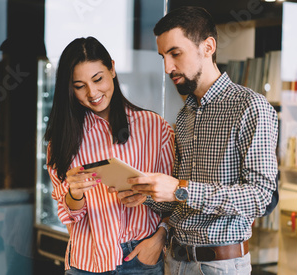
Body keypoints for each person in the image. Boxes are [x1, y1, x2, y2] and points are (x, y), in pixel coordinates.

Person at [115, 7, 279, 275]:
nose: (168, 67)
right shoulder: (185, 115)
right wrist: (144, 193)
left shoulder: (250, 106)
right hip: (175, 260)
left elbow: (260, 197)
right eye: (163, 57)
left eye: (175, 54)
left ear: (208, 47)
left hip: (220, 265)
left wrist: (180, 188)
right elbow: (182, 201)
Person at [45, 36, 175, 274]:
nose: (92, 92)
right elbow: (69, 213)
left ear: (112, 69)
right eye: (79, 86)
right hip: (86, 262)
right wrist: (74, 193)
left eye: (98, 79)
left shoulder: (154, 127)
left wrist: (158, 240)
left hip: (141, 258)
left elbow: (173, 200)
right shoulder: (62, 140)